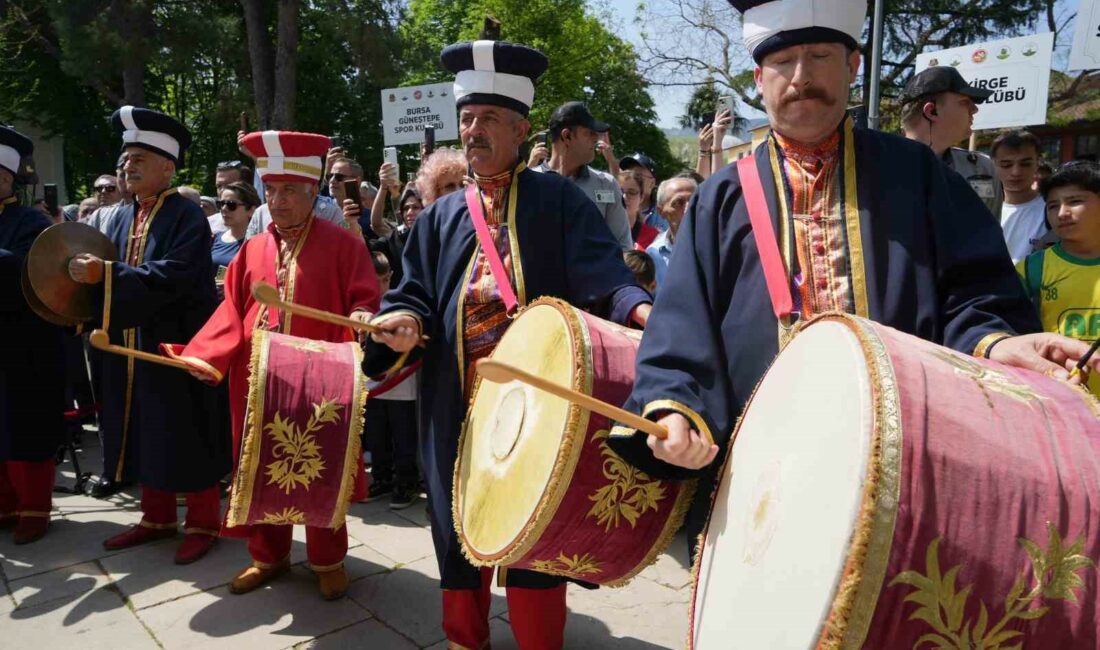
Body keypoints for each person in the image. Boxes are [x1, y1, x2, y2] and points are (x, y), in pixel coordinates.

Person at [606, 0, 1099, 560]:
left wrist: (999, 340)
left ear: (853, 65)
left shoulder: (916, 175)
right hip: (756, 467)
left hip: (904, 465)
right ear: (758, 79)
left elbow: (972, 293)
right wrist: (674, 406)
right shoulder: (720, 197)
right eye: (784, 61)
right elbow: (682, 325)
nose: (801, 77)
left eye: (819, 56)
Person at [364, 39, 653, 650]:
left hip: (540, 408)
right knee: (454, 530)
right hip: (455, 403)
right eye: (467, 119)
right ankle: (467, 640)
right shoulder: (439, 218)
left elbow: (607, 282)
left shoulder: (561, 202)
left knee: (535, 533)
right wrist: (404, 323)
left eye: (489, 119)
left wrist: (643, 311)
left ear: (521, 130)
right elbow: (411, 293)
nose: (473, 131)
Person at [160, 130, 380, 601]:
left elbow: (364, 296)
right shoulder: (252, 248)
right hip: (259, 382)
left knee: (321, 468)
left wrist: (363, 313)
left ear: (311, 192)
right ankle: (268, 555)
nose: (277, 202)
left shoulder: (343, 245)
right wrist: (206, 356)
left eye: (289, 192)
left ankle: (327, 559)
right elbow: (230, 313)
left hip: (321, 383)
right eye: (271, 192)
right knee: (263, 469)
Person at [66, 106, 231, 564]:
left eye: (139, 158)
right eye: (125, 160)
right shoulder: (116, 217)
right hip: (123, 346)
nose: (128, 167)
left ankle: (202, 522)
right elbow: (101, 277)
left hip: (173, 344)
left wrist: (108, 273)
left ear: (168, 166)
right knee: (139, 430)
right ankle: (155, 518)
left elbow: (174, 276)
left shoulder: (188, 216)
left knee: (185, 431)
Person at [0, 126, 66, 544]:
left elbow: (27, 274)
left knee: (23, 428)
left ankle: (34, 508)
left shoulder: (30, 221)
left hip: (23, 344)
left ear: (7, 179)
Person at [1017, 161, 1100, 394]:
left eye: (1075, 201)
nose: (1062, 213)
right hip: (1060, 399)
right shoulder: (1033, 269)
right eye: (1053, 206)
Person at [900, 65, 1003, 217]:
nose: (975, 109)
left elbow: (992, 234)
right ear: (932, 111)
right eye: (964, 102)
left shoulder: (982, 168)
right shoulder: (878, 169)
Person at [532, 101, 634, 250]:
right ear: (567, 136)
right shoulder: (528, 183)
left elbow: (623, 248)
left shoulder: (607, 184)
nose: (596, 139)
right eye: (589, 133)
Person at [362, 251, 420, 509]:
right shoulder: (360, 307)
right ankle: (381, 477)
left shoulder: (398, 305)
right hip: (372, 385)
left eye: (386, 280)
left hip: (401, 386)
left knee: (403, 437)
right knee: (376, 436)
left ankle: (405, 481)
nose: (382, 286)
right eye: (377, 279)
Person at [992, 130, 1050, 263]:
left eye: (1025, 164)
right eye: (1006, 165)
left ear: (1037, 163)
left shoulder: (1053, 211)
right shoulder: (981, 209)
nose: (1016, 172)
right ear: (993, 165)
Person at [646, 174, 697, 290]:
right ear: (661, 211)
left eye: (694, 201)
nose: (688, 208)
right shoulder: (653, 255)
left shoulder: (717, 246)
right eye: (679, 203)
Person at [211, 181, 259, 286]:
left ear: (251, 210)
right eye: (221, 204)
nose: (223, 209)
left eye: (231, 205)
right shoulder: (214, 239)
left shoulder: (257, 243)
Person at [619, 152, 664, 231]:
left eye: (638, 175)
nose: (631, 178)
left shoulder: (664, 213)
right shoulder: (613, 211)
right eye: (627, 173)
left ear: (652, 183)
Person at [618, 168, 659, 250]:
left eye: (632, 192)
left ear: (642, 198)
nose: (624, 197)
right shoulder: (602, 230)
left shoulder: (653, 236)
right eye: (619, 191)